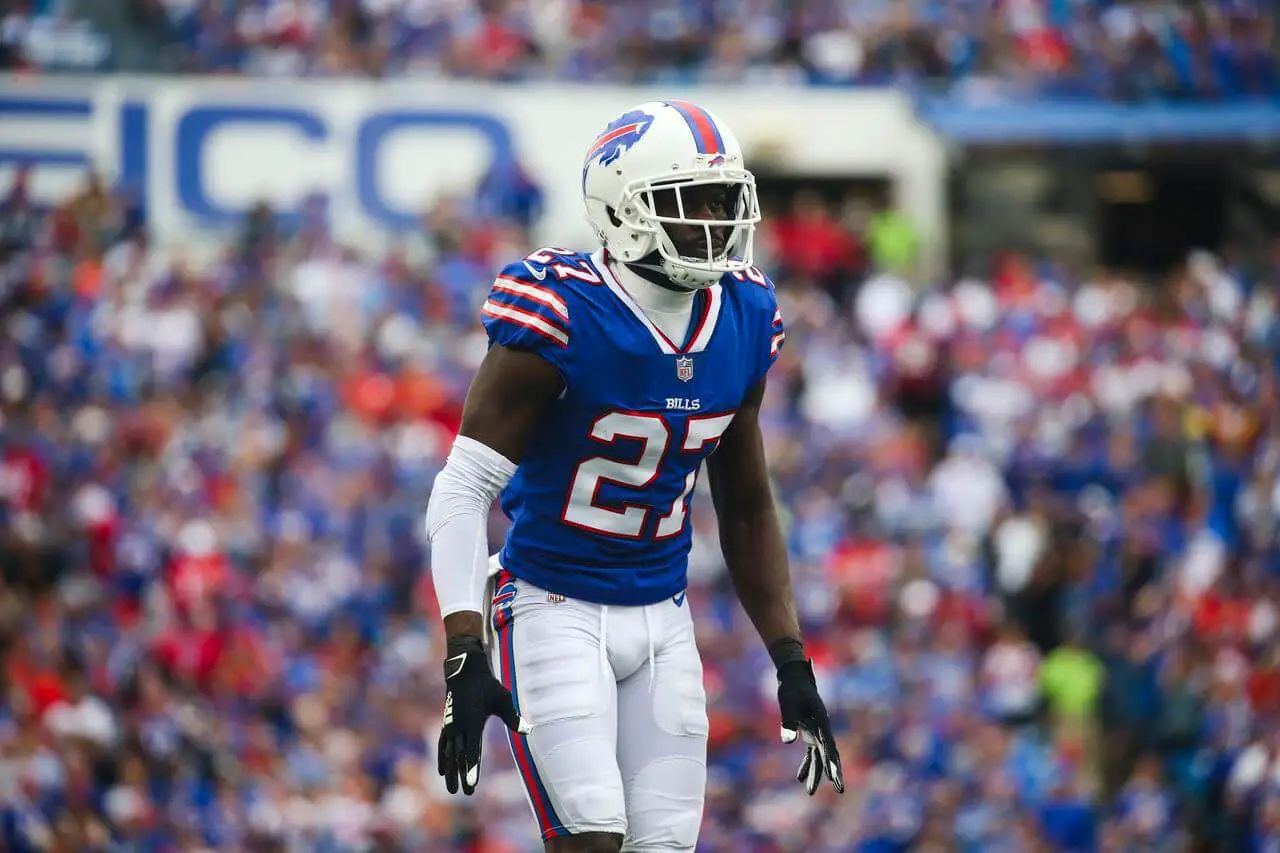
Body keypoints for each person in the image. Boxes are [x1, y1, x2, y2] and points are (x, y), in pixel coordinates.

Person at [425, 100, 844, 852]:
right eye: (694, 201)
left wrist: (791, 659)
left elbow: (745, 504)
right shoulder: (562, 307)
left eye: (725, 199)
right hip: (551, 605)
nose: (718, 219)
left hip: (664, 616)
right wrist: (464, 649)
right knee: (590, 838)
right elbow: (463, 487)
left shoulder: (745, 312)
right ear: (627, 209)